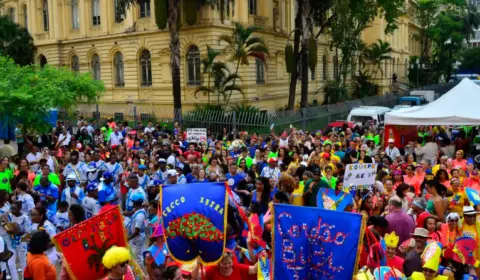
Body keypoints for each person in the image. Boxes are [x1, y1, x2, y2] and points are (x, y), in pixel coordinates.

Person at [191, 250, 257, 280]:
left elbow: (254, 269)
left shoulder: (237, 267)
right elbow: (195, 276)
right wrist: (198, 265)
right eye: (224, 263)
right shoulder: (213, 269)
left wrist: (263, 258)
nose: (227, 266)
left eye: (229, 263)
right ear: (218, 264)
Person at [127, 192, 147, 266]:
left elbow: (136, 231)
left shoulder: (140, 215)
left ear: (134, 203)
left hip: (138, 239)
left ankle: (141, 275)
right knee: (138, 255)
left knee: (138, 258)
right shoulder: (139, 210)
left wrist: (128, 238)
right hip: (138, 238)